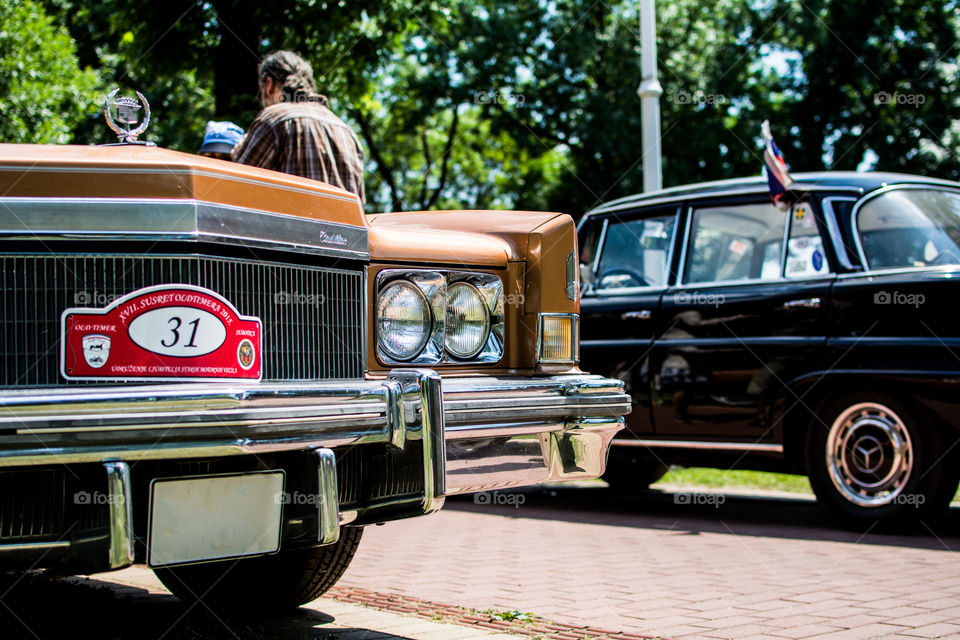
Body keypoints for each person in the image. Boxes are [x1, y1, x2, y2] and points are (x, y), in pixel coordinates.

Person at [232, 50, 366, 203]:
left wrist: (237, 152)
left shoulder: (274, 119)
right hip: (345, 228)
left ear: (269, 85)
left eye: (260, 93)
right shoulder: (348, 133)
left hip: (288, 227)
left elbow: (233, 190)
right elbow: (359, 206)